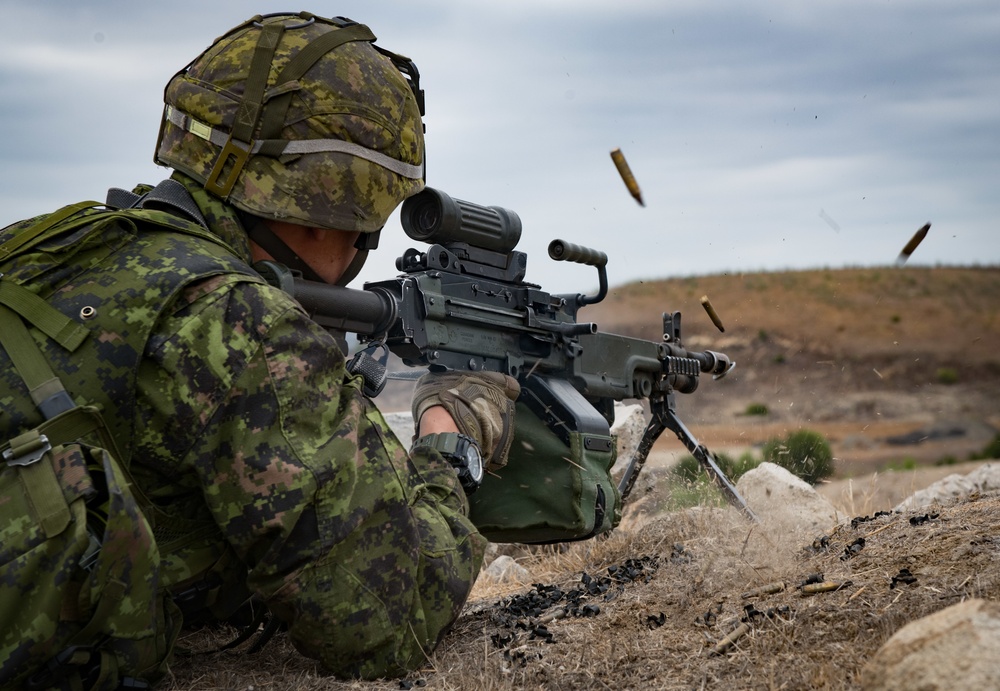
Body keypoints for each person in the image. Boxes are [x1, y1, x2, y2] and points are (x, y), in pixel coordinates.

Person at [0, 12, 519, 688]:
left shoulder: (47, 248)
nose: (366, 245)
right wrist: (448, 438)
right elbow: (389, 622)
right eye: (368, 221)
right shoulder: (238, 323)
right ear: (328, 202)